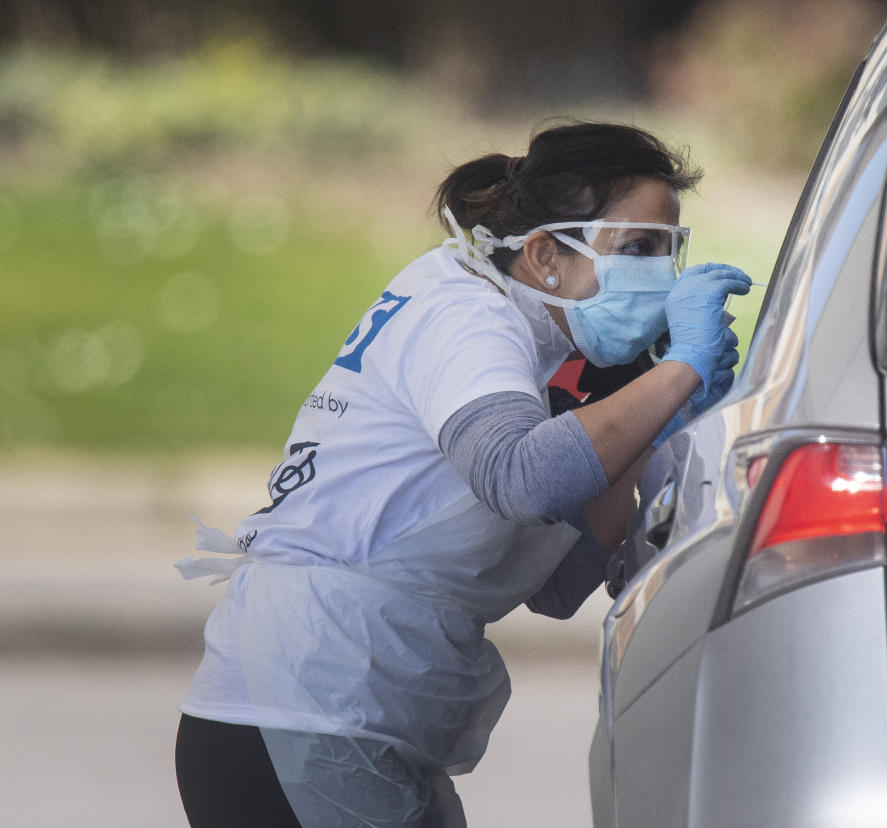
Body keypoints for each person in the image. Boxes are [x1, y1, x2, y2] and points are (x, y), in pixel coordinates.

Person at [173, 121, 750, 827]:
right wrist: (680, 369)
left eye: (671, 252)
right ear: (544, 255)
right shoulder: (465, 312)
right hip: (302, 712)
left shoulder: (538, 347)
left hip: (354, 721)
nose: (662, 279)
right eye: (639, 250)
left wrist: (653, 421)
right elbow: (520, 478)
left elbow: (559, 585)